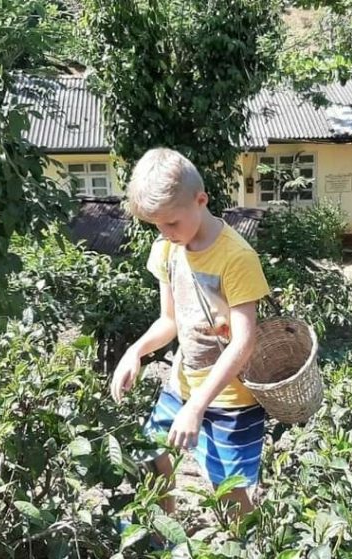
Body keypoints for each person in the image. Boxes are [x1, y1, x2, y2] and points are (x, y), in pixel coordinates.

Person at [110, 147, 270, 522]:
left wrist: (197, 406)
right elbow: (169, 321)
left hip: (232, 397)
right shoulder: (168, 249)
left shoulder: (237, 258)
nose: (165, 233)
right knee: (151, 453)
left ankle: (246, 544)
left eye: (172, 223)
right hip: (182, 384)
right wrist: (136, 351)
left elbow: (243, 344)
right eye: (157, 226)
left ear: (201, 201)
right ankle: (165, 531)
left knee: (227, 490)